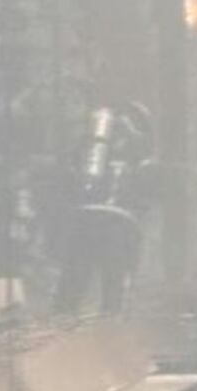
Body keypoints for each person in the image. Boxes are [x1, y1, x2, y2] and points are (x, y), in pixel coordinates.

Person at [53, 101, 155, 316]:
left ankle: (61, 322)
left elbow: (69, 175)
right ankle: (107, 328)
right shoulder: (137, 156)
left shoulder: (93, 148)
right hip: (118, 223)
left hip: (87, 217)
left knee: (75, 277)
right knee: (113, 282)